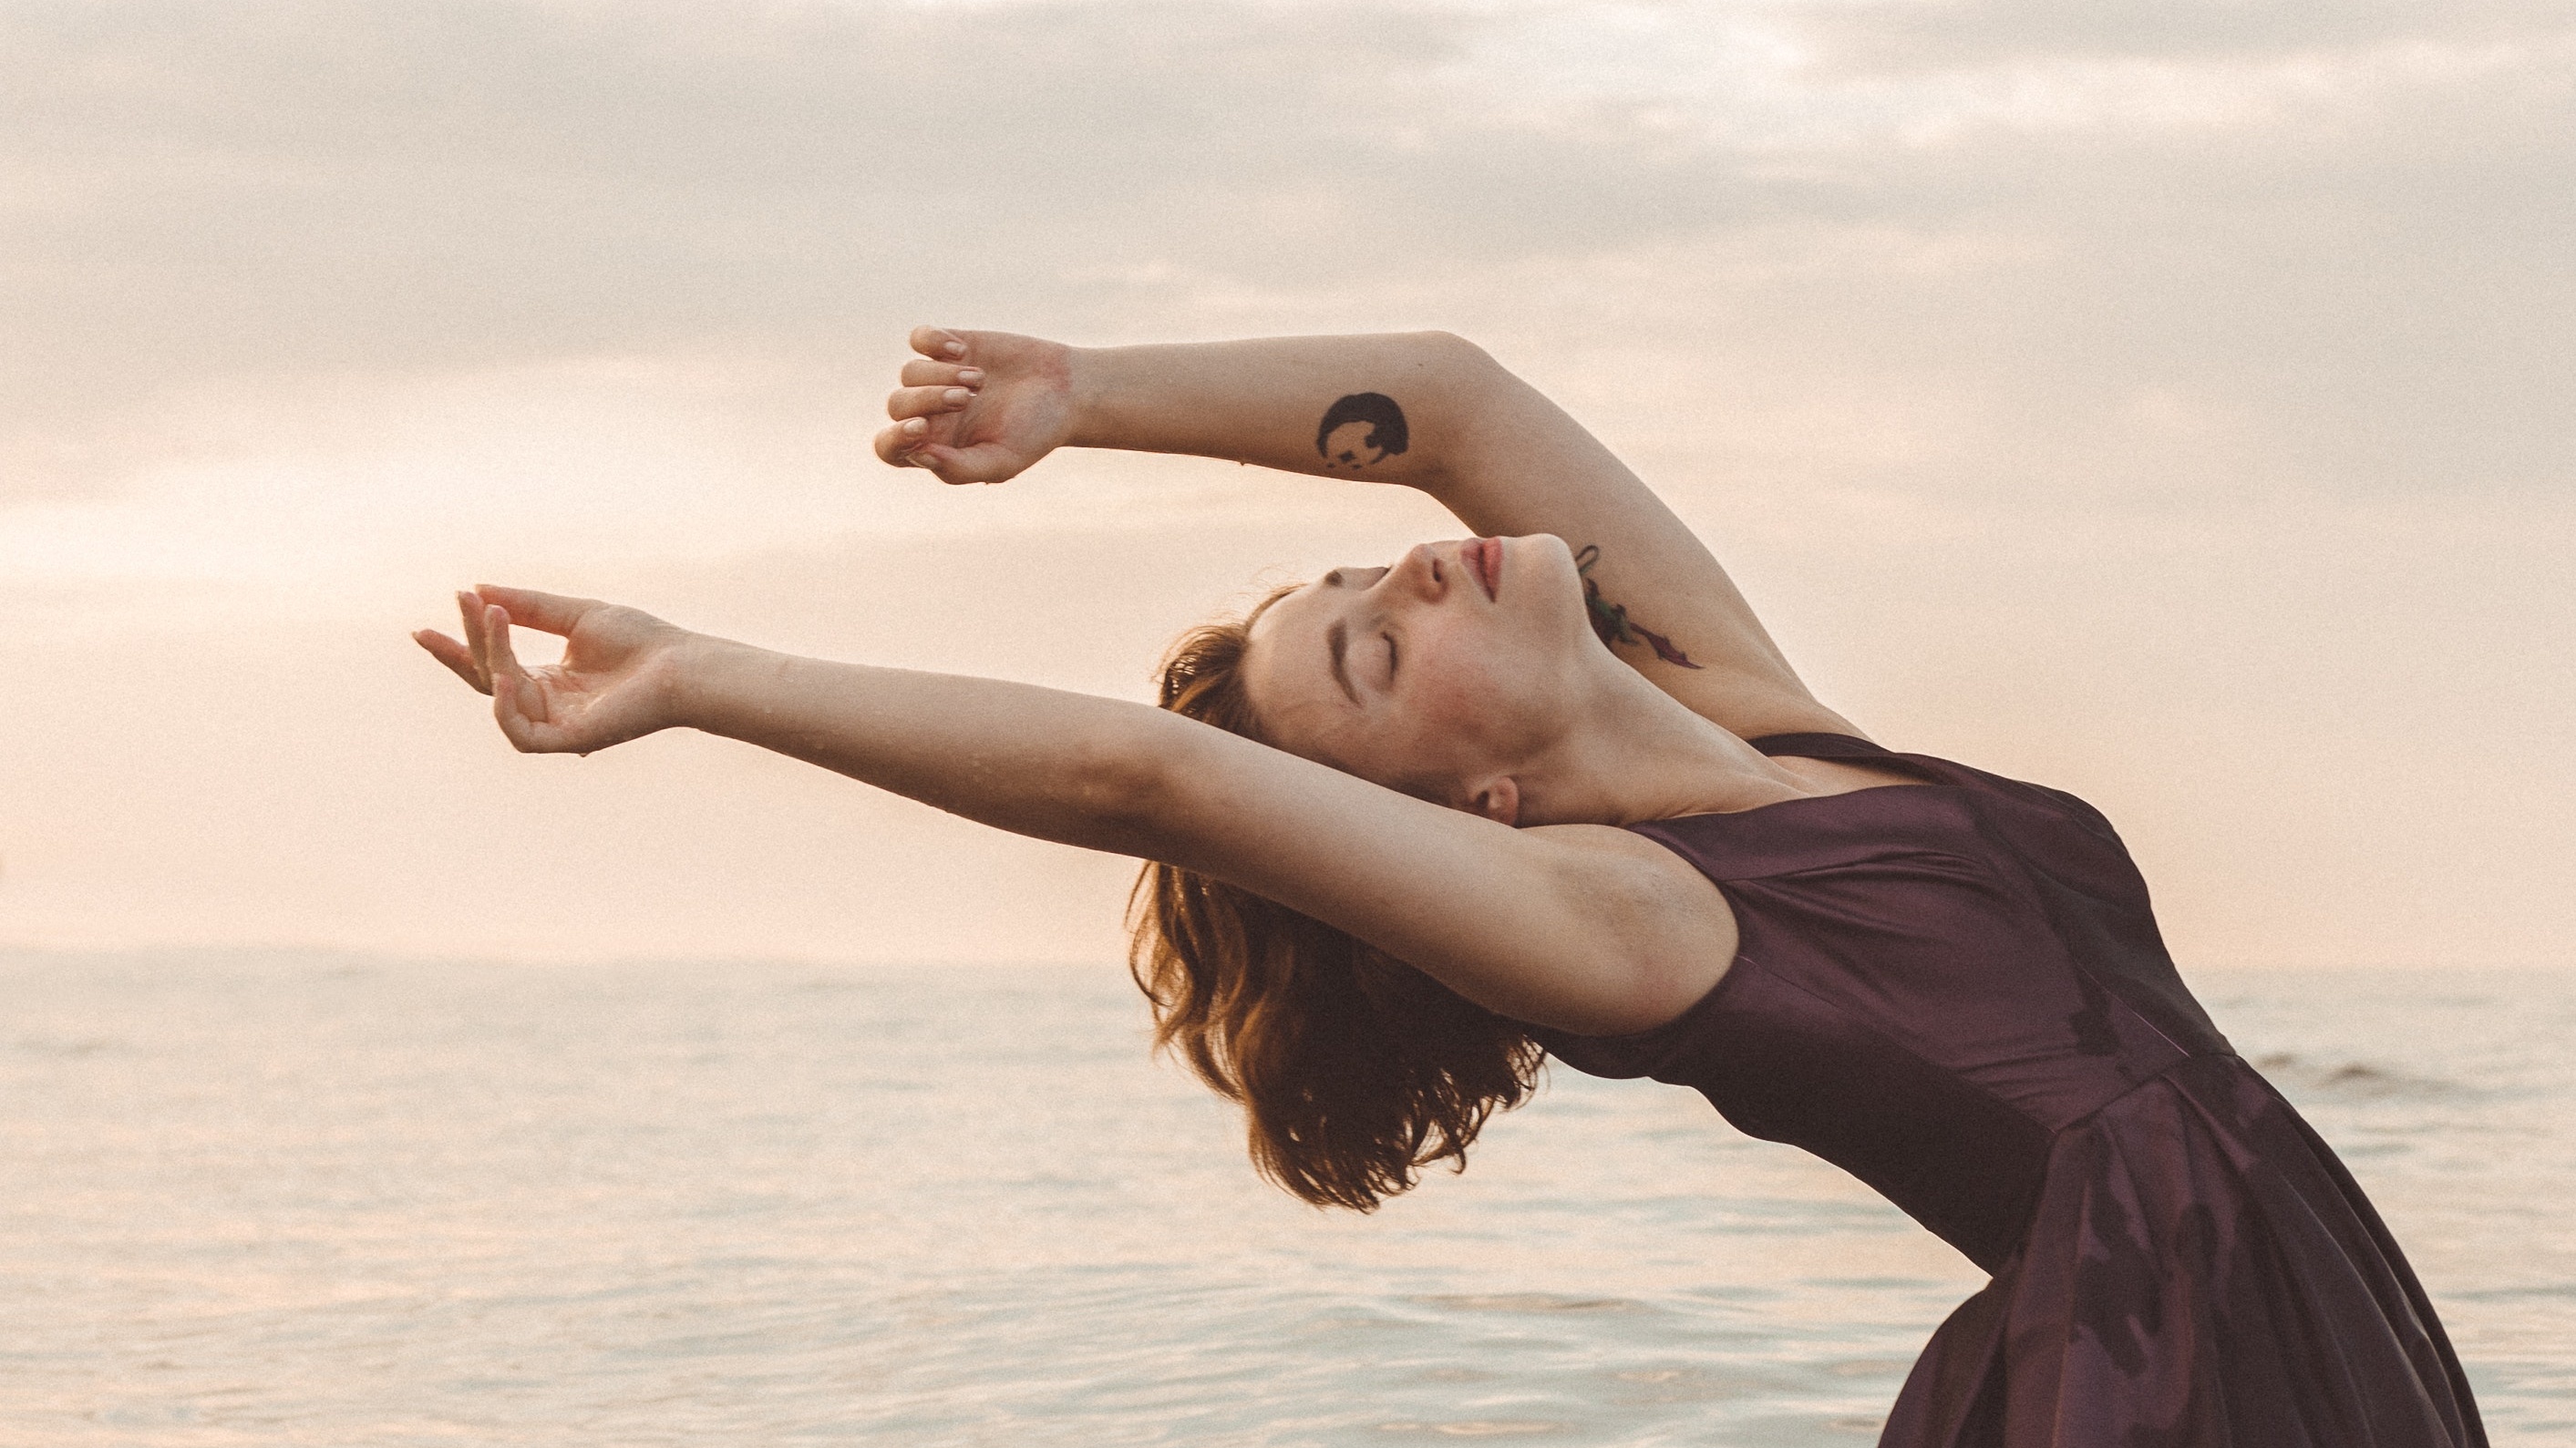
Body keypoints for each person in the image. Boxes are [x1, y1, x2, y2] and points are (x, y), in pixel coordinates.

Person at [416, 326, 2487, 1447]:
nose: (1413, 568)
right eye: (1379, 660)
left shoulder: (1762, 720)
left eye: (1359, 585)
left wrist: (1087, 401)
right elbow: (1145, 777)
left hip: (2287, 1294)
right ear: (1464, 808)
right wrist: (701, 678)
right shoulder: (1640, 922)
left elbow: (1464, 404)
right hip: (2168, 1366)